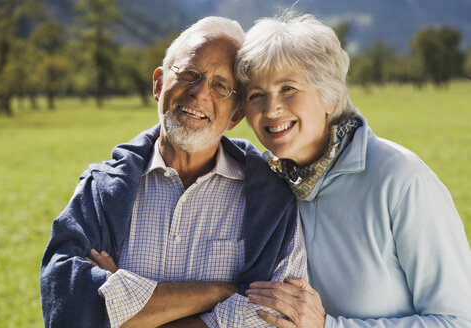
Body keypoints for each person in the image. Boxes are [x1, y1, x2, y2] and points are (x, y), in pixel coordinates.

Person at [40, 16, 307, 328]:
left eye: (221, 86)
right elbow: (68, 301)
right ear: (158, 83)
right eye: (190, 73)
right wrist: (220, 293)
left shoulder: (272, 199)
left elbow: (275, 315)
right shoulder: (100, 191)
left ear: (236, 114)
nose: (199, 93)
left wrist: (123, 310)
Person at [236, 13, 471, 328]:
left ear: (329, 95)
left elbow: (457, 321)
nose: (271, 108)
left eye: (288, 88)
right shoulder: (262, 185)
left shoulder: (401, 179)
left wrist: (330, 326)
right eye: (256, 95)